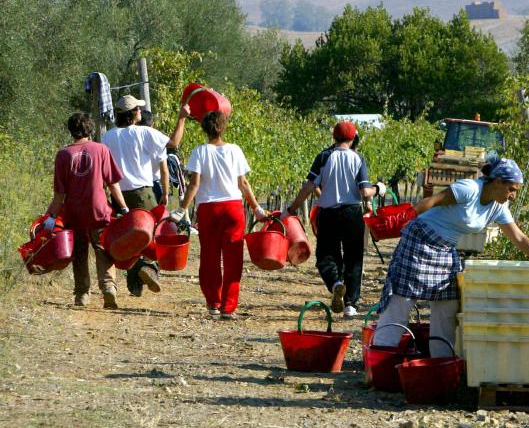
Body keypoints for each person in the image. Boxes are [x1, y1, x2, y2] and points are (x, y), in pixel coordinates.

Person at [372, 156, 529, 357]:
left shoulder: (498, 207)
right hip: (419, 240)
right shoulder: (470, 189)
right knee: (402, 298)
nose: (513, 196)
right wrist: (404, 216)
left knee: (448, 303)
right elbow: (431, 201)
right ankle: (382, 354)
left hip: (446, 249)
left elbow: (518, 237)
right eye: (512, 189)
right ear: (498, 181)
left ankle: (441, 359)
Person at [286, 121, 385, 319]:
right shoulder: (358, 158)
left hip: (329, 213)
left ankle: (335, 284)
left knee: (326, 256)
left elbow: (308, 186)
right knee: (354, 258)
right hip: (352, 213)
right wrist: (379, 188)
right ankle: (350, 305)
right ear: (353, 138)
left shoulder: (323, 156)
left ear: (334, 137)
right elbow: (365, 191)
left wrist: (291, 209)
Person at [175, 110, 266, 320]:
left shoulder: (199, 152)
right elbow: (243, 183)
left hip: (209, 209)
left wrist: (181, 210)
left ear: (204, 129)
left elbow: (194, 184)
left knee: (209, 257)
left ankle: (213, 303)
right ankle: (228, 307)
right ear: (223, 127)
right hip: (233, 208)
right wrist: (257, 209)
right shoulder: (235, 150)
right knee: (233, 259)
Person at [101, 94, 190, 294]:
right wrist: (182, 118)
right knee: (153, 236)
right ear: (133, 114)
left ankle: (134, 285)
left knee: (129, 238)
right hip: (143, 193)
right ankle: (147, 268)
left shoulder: (108, 136)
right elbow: (174, 143)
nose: (141, 111)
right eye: (138, 109)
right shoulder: (144, 133)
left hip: (118, 196)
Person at [44, 112, 130, 309]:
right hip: (99, 209)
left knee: (79, 252)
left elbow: (59, 195)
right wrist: (124, 208)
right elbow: (113, 184)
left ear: (71, 130)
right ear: (90, 129)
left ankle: (82, 294)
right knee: (103, 248)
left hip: (75, 212)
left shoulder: (63, 155)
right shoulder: (101, 150)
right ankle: (108, 287)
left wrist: (50, 217)